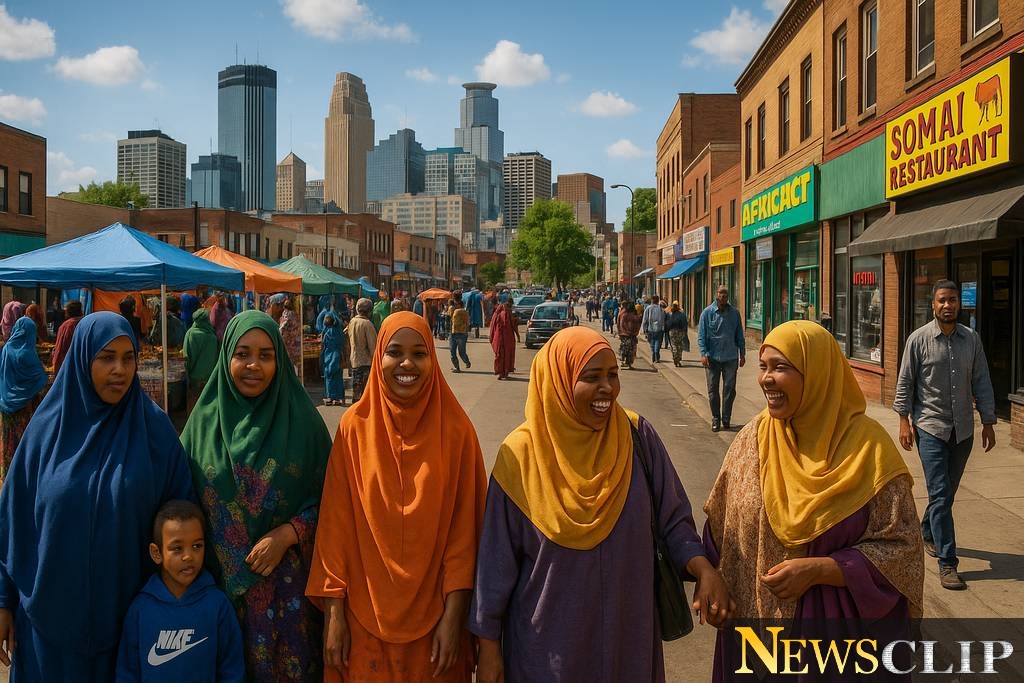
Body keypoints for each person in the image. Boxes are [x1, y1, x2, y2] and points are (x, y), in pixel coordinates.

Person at [470, 327, 730, 682]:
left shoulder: (637, 436)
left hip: (628, 644)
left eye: (612, 375)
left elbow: (674, 522)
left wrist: (704, 569)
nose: (607, 388)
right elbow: (494, 567)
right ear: (559, 382)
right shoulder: (520, 457)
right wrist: (488, 650)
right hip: (546, 652)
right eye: (591, 378)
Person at [704, 320, 923, 680]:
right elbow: (719, 525)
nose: (766, 379)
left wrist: (825, 569)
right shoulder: (752, 441)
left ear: (818, 373)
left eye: (781, 367)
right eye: (763, 367)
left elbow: (904, 550)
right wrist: (709, 576)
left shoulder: (869, 450)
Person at [0, 312, 195, 680]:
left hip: (130, 628)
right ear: (82, 358)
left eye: (128, 358)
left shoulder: (155, 432)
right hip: (47, 632)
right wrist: (3, 601)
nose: (119, 369)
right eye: (106, 358)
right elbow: (12, 521)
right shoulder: (44, 433)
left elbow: (182, 518)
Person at [307, 312, 487, 682]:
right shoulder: (355, 429)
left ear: (432, 361)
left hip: (437, 628)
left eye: (419, 354)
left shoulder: (457, 433)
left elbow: (465, 537)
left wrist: (454, 620)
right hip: (363, 624)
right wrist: (334, 615)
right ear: (378, 358)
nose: (407, 364)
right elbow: (335, 529)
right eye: (395, 352)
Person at [181, 311, 332, 681]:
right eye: (243, 353)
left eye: (266, 355)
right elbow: (179, 507)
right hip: (215, 600)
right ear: (226, 355)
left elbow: (336, 504)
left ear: (279, 360)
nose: (253, 365)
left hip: (289, 609)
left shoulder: (305, 424)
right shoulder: (201, 425)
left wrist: (288, 534)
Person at [893, 279, 996, 591]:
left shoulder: (971, 340)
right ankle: (948, 563)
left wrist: (988, 421)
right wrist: (903, 421)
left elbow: (981, 380)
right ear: (933, 304)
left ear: (958, 303)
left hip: (962, 431)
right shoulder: (919, 340)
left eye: (952, 299)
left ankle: (927, 530)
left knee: (946, 495)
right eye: (942, 300)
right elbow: (905, 382)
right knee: (940, 494)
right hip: (930, 428)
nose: (948, 305)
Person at [115, 499, 244, 682]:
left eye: (196, 546)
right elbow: (127, 673)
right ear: (156, 553)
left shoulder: (218, 605)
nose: (188, 556)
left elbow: (232, 670)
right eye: (177, 548)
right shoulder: (140, 609)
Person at [0, 317, 48, 487]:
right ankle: (22, 477)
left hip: (5, 404)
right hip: (25, 408)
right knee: (24, 441)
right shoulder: (28, 353)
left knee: (8, 439)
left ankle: (8, 477)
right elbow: (41, 379)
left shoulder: (6, 349)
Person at [697, 285, 746, 432]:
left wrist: (742, 354)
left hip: (730, 357)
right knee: (713, 389)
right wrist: (703, 353)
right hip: (712, 358)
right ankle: (716, 418)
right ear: (716, 295)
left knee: (729, 390)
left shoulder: (735, 314)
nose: (723, 297)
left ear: (728, 297)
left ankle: (726, 418)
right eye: (721, 295)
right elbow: (701, 336)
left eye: (725, 295)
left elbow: (739, 335)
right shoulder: (707, 313)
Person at [182, 308, 218, 413]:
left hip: (194, 378)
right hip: (209, 378)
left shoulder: (191, 334)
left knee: (193, 407)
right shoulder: (212, 336)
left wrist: (188, 374)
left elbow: (187, 357)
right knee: (207, 407)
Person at [348, 298, 377, 402]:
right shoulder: (367, 324)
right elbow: (373, 347)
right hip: (365, 363)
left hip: (355, 361)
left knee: (356, 394)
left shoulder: (352, 321)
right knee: (364, 396)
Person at [269, 294, 302, 373]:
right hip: (295, 343)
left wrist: (277, 334)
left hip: (289, 344)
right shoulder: (295, 314)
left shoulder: (287, 314)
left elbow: (283, 328)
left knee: (288, 364)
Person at [51, 300, 84, 374]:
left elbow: (60, 348)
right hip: (82, 365)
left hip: (68, 365)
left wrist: (56, 367)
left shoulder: (67, 326)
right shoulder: (86, 322)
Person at [321, 309, 346, 406]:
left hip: (329, 356)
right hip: (338, 356)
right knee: (338, 377)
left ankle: (331, 397)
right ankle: (339, 397)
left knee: (329, 377)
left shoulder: (327, 333)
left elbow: (324, 345)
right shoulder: (339, 331)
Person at [489, 301, 518, 381]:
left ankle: (500, 372)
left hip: (498, 338)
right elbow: (513, 325)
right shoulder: (507, 314)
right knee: (507, 355)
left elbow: (492, 327)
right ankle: (505, 372)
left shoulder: (497, 314)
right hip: (507, 338)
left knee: (499, 355)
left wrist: (491, 337)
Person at [641, 295, 667, 363]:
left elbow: (644, 320)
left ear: (652, 300)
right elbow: (664, 319)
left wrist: (644, 329)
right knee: (658, 342)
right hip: (659, 330)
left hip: (650, 330)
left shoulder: (648, 308)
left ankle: (654, 353)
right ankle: (656, 354)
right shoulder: (661, 309)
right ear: (658, 301)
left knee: (652, 343)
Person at [449, 297, 471, 373]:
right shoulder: (465, 312)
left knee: (453, 352)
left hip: (455, 333)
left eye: (456, 303)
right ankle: (466, 362)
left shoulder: (458, 311)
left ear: (458, 304)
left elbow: (451, 317)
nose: (454, 304)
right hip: (461, 334)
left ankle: (458, 367)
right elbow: (467, 323)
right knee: (461, 352)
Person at [617, 302, 641, 369]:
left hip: (624, 334)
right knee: (631, 350)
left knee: (624, 348)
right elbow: (638, 326)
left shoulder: (624, 315)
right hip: (632, 335)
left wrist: (621, 332)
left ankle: (623, 361)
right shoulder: (635, 317)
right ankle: (629, 364)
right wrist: (635, 333)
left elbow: (621, 324)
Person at [665, 300, 690, 367]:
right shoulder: (682, 315)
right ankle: (678, 358)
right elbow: (685, 324)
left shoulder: (670, 315)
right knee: (680, 346)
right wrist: (685, 332)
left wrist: (667, 330)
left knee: (674, 345)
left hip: (672, 332)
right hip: (680, 332)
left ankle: (675, 356)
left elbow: (668, 324)